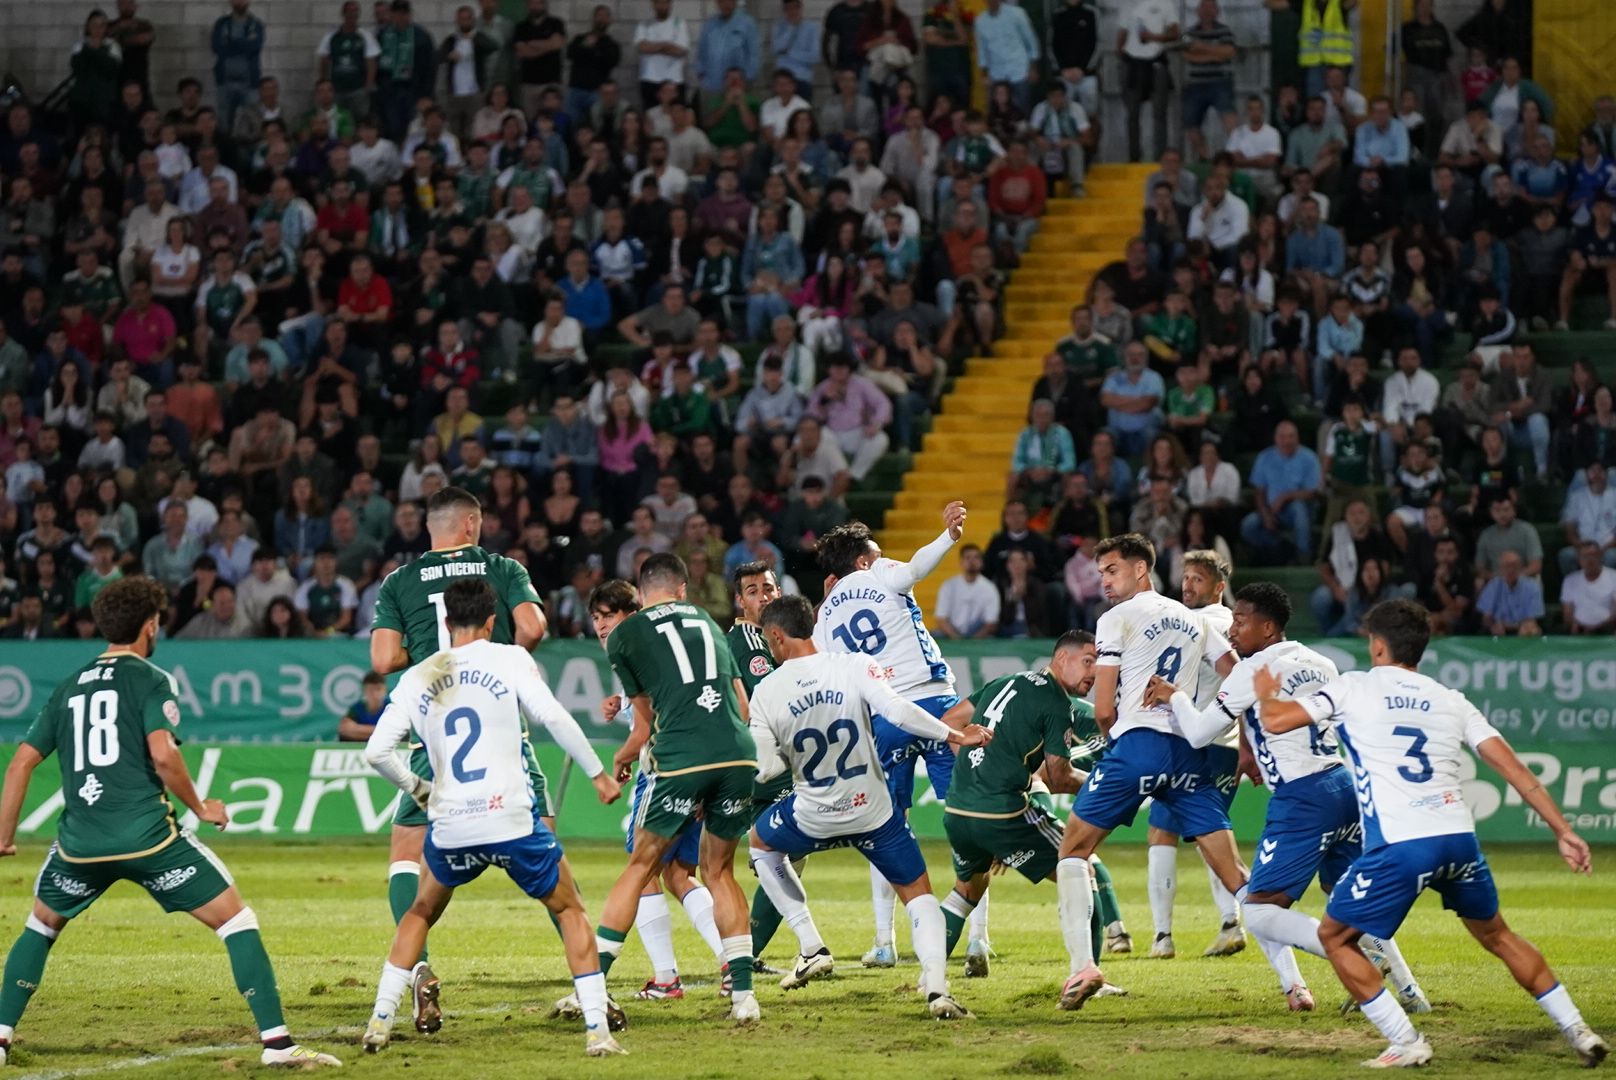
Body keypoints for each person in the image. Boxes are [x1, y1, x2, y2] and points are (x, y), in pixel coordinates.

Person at [0, 578, 340, 1068]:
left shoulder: (69, 686)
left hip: (79, 846)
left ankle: (2, 1037)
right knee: (236, 920)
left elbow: (19, 764)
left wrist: (6, 837)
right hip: (149, 840)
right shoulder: (151, 679)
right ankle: (278, 1046)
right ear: (151, 625)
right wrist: (202, 807)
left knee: (40, 925)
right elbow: (163, 754)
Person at [1256, 599, 1606, 1069]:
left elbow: (1276, 721)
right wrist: (1563, 831)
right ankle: (1579, 1031)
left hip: (1401, 844)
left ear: (1377, 645)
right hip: (1458, 840)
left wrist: (1264, 693)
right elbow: (1514, 768)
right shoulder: (1449, 698)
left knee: (1335, 938)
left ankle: (1406, 1040)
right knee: (1499, 935)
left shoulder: (1353, 687)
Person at [361, 579, 623, 1056]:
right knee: (569, 909)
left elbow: (377, 752)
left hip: (452, 825)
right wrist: (599, 775)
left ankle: (379, 1021)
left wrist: (419, 788)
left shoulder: (418, 674)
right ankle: (597, 1031)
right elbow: (555, 718)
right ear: (490, 621)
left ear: (445, 623)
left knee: (420, 912)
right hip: (512, 821)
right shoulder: (509, 658)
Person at [1144, 582, 1429, 1015]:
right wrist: (1253, 749)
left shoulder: (1251, 670)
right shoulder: (1321, 662)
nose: (1234, 628)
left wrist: (1175, 695)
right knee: (1346, 898)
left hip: (1303, 799)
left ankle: (1359, 957)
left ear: (1268, 626)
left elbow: (1201, 732)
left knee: (1259, 910)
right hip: (1342, 786)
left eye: (1242, 620)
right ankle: (1410, 993)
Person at [747, 594, 988, 1015]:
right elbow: (897, 710)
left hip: (812, 813)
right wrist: (952, 735)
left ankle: (811, 945)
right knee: (918, 893)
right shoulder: (854, 665)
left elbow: (766, 769)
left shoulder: (767, 690)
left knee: (760, 845)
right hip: (872, 812)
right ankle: (936, 989)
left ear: (776, 636)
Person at [365, 486, 548, 1032]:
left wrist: (425, 658)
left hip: (436, 740)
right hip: (502, 736)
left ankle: (417, 968)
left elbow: (380, 659)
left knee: (405, 856)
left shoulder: (398, 582)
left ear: (433, 528)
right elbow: (535, 627)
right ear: (471, 524)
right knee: (550, 867)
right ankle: (594, 985)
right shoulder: (503, 568)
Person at [1051, 532, 1238, 1012]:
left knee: (1073, 850)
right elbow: (1234, 671)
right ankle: (1309, 975)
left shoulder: (1116, 618)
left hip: (1137, 745)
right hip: (1189, 750)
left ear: (1140, 569)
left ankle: (1082, 969)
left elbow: (1104, 707)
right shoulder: (1193, 619)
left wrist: (1114, 743)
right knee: (1236, 875)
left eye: (1111, 571)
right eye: (1101, 575)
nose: (1105, 583)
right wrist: (1205, 716)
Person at [591, 554, 762, 1024]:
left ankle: (594, 985)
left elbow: (643, 723)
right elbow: (742, 704)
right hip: (738, 752)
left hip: (682, 757)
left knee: (641, 866)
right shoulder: (709, 622)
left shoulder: (626, 635)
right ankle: (744, 997)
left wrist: (622, 758)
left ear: (641, 594)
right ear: (683, 589)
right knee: (719, 871)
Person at [814, 502, 971, 966]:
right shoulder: (878, 572)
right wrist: (948, 537)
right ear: (864, 560)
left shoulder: (824, 616)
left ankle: (884, 941)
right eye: (879, 553)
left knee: (886, 827)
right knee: (966, 815)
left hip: (884, 717)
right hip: (937, 703)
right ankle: (978, 936)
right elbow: (917, 568)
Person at [1143, 549, 1247, 961]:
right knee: (1213, 835)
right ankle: (1230, 922)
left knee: (1161, 832)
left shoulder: (1193, 624)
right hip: (1229, 746)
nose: (1187, 585)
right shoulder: (1241, 628)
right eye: (1185, 578)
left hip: (1189, 743)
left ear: (1219, 588)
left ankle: (1162, 937)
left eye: (1197, 580)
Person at [1241, 420, 1322, 565]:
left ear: (1297, 438)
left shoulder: (1309, 458)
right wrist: (1266, 514)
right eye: (1283, 437)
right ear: (1276, 438)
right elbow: (1259, 491)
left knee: (1299, 509)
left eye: (1291, 436)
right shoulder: (1265, 457)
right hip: (1272, 509)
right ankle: (1282, 548)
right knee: (1249, 525)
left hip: (1301, 510)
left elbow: (1312, 492)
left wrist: (1286, 496)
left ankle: (1303, 556)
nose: (1287, 441)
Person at [933, 544, 1000, 639]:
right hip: (952, 632)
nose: (972, 561)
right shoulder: (949, 586)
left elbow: (991, 623)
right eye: (967, 557)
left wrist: (974, 641)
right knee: (933, 637)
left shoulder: (990, 588)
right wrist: (956, 638)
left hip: (978, 633)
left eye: (976, 557)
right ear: (961, 562)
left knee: (993, 638)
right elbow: (941, 618)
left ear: (982, 562)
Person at [1561, 540, 1616, 634]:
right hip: (1579, 631)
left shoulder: (1614, 577)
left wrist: (1597, 628)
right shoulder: (1570, 580)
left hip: (1608, 630)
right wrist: (1578, 626)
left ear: (1600, 556)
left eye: (1593, 555)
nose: (1590, 559)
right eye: (1585, 556)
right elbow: (1567, 613)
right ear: (1579, 559)